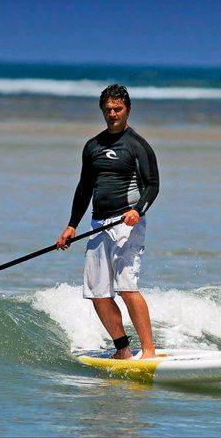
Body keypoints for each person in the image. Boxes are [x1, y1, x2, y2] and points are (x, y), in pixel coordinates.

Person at [56, 84, 159, 360]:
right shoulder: (93, 146)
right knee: (97, 292)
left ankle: (148, 351)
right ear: (102, 110)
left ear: (127, 110)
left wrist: (138, 210)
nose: (113, 114)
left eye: (118, 109)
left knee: (127, 287)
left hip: (127, 224)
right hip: (98, 224)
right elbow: (84, 189)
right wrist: (71, 225)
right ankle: (122, 350)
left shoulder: (137, 145)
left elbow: (153, 185)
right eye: (108, 109)